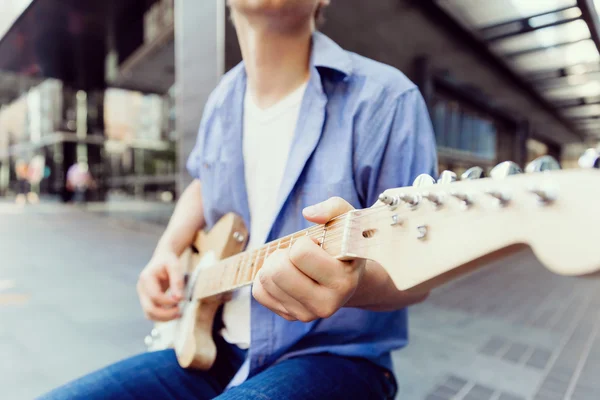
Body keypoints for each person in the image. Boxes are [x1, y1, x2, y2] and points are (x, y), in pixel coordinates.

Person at [40, 1, 438, 399]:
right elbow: (203, 181)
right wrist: (166, 251)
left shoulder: (388, 99)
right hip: (215, 349)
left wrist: (353, 285)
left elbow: (419, 273)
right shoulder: (221, 101)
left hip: (336, 359)